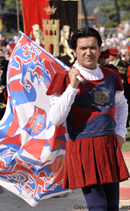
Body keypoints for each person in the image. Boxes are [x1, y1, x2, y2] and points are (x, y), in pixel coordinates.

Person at [46, 27, 129, 211]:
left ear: (100, 49)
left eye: (93, 47)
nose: (88, 52)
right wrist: (72, 87)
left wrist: (121, 132)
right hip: (83, 148)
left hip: (109, 146)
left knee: (113, 207)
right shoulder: (64, 78)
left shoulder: (111, 74)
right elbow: (56, 119)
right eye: (83, 48)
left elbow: (122, 105)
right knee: (98, 207)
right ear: (74, 51)